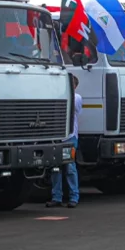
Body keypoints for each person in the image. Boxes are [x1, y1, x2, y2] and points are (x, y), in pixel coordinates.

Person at [46, 75, 82, 208]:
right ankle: (56, 197)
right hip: (57, 138)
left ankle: (74, 197)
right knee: (55, 168)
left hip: (70, 137)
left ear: (74, 86)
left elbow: (72, 106)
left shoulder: (76, 97)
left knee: (70, 168)